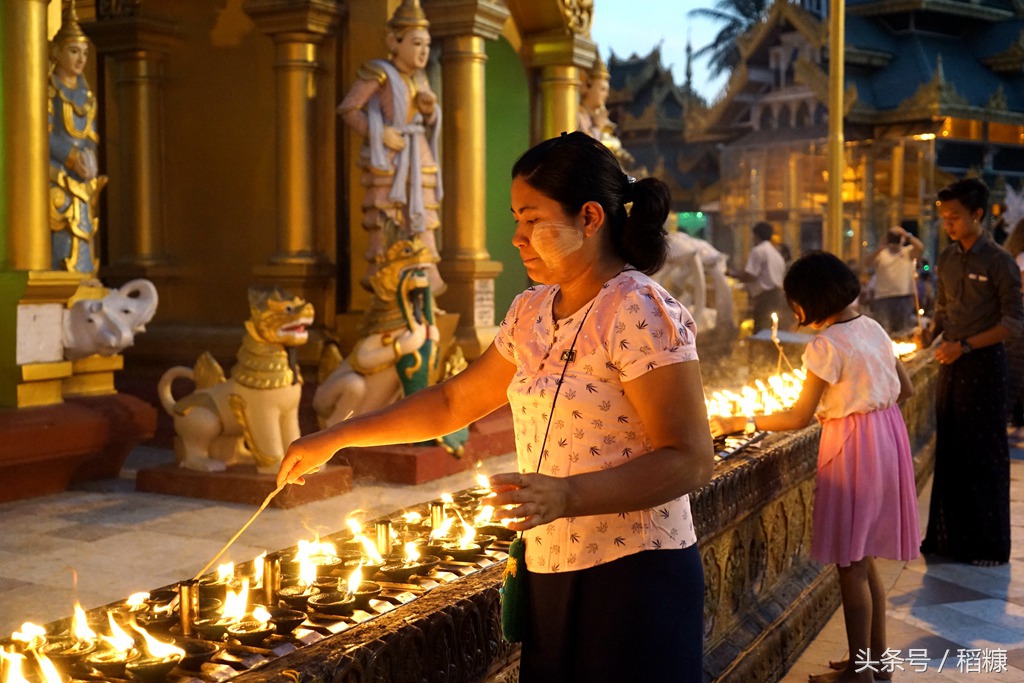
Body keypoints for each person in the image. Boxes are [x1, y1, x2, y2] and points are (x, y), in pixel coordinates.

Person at [278, 131, 715, 681]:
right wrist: (337, 436)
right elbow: (453, 400)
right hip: (551, 562)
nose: (518, 237)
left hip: (634, 574)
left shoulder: (639, 310)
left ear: (589, 218)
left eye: (533, 220)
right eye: (517, 219)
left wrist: (567, 492)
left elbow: (691, 458)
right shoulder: (530, 312)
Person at [710, 251, 919, 683]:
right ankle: (874, 661)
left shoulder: (827, 345)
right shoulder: (874, 328)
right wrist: (869, 408)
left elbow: (798, 417)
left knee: (850, 566)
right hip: (887, 440)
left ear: (807, 303)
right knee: (865, 560)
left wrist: (740, 421)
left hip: (854, 450)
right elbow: (908, 387)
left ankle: (858, 676)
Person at [919, 177, 1024, 566]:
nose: (948, 224)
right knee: (951, 451)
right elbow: (944, 309)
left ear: (978, 215)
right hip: (951, 365)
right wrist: (930, 332)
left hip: (983, 366)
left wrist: (963, 346)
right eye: (944, 218)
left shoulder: (998, 261)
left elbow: (1013, 322)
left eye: (955, 217)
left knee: (984, 454)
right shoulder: (947, 258)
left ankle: (988, 546)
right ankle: (950, 539)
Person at [337, 0, 444, 293]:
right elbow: (349, 109)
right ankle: (387, 287)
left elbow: (428, 118)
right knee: (387, 221)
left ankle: (424, 287)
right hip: (391, 158)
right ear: (394, 42)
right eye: (417, 43)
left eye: (427, 44)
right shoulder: (379, 72)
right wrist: (380, 132)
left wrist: (430, 111)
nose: (423, 51)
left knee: (423, 221)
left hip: (418, 154)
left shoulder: (420, 77)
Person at [48, 0, 106, 277]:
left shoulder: (87, 96)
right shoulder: (48, 92)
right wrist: (72, 157)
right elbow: (42, 136)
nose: (81, 59)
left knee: (83, 230)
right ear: (56, 52)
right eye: (73, 51)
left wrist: (90, 155)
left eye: (84, 52)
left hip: (83, 179)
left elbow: (91, 135)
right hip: (57, 173)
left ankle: (83, 275)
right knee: (59, 223)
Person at [730, 221, 793, 333]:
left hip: (765, 298)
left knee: (762, 330)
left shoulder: (758, 251)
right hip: (778, 297)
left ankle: (762, 350)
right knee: (774, 331)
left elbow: (751, 276)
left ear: (756, 235)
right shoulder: (776, 254)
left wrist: (731, 274)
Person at [866, 226, 924, 334]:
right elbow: (866, 263)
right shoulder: (881, 254)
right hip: (883, 297)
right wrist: (880, 247)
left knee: (904, 331)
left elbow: (920, 247)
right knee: (884, 331)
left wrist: (906, 235)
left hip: (904, 295)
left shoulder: (908, 252)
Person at [999, 219, 1024, 447]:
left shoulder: (1013, 256)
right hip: (1019, 320)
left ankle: (1014, 423)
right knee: (1016, 373)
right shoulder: (1020, 258)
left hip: (1015, 321)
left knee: (1014, 372)